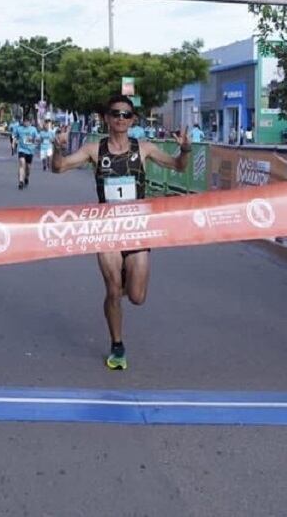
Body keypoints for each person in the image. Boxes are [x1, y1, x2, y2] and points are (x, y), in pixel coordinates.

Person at [51, 95, 190, 370]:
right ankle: (117, 345)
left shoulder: (144, 148)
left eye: (126, 115)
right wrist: (58, 148)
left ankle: (126, 278)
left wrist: (185, 151)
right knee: (113, 291)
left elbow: (177, 166)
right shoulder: (94, 150)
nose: (121, 119)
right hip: (106, 230)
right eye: (115, 114)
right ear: (106, 118)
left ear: (133, 119)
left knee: (137, 297)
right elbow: (59, 167)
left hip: (137, 230)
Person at [12, 115, 38, 189]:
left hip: (30, 151)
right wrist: (13, 144)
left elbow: (37, 139)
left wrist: (33, 142)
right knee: (22, 164)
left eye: (27, 121)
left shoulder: (33, 129)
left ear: (30, 122)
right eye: (24, 121)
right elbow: (15, 137)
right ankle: (21, 181)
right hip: (21, 150)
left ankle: (26, 177)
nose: (25, 123)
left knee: (28, 168)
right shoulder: (19, 129)